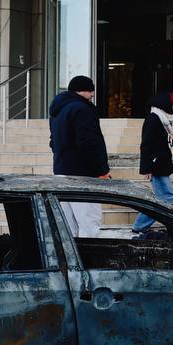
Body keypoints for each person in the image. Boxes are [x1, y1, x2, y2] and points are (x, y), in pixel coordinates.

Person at [49, 75, 111, 236]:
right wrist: (101, 170)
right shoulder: (83, 109)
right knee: (89, 222)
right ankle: (89, 259)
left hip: (61, 171)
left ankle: (71, 259)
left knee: (69, 225)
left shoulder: (58, 109)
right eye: (91, 92)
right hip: (82, 174)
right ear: (83, 91)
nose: (92, 96)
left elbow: (53, 142)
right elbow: (89, 142)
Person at [134, 92, 173, 233]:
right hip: (157, 165)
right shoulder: (154, 118)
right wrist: (147, 167)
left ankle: (140, 226)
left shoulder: (164, 120)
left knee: (161, 200)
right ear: (165, 105)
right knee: (169, 197)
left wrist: (172, 138)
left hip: (161, 163)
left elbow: (163, 142)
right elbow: (146, 144)